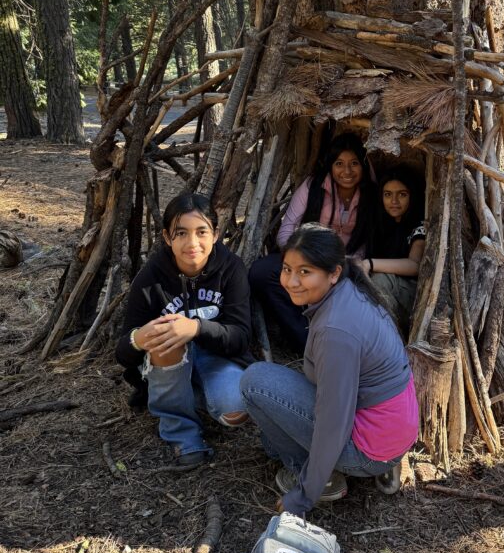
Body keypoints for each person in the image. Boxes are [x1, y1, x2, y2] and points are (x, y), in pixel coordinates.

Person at [240, 223, 419, 516]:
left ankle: (322, 479)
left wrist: (304, 496)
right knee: (269, 432)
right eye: (287, 269)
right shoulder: (352, 289)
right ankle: (375, 461)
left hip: (369, 449)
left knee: (255, 382)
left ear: (333, 272)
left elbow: (333, 421)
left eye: (305, 272)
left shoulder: (336, 329)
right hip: (393, 431)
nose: (292, 281)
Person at [116, 193, 253, 468]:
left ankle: (186, 398)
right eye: (181, 233)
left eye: (201, 232)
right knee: (164, 337)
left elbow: (240, 336)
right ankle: (181, 432)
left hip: (218, 356)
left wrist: (196, 328)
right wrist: (139, 338)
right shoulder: (152, 276)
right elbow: (122, 353)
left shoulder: (231, 268)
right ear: (167, 238)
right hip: (169, 359)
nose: (192, 243)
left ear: (215, 235)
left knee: (236, 411)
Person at [248, 132, 376, 351]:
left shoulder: (370, 195)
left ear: (363, 165)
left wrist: (343, 264)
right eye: (339, 163)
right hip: (306, 258)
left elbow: (367, 244)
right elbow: (285, 232)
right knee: (261, 272)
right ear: (330, 165)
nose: (347, 171)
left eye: (354, 163)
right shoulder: (313, 187)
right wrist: (309, 258)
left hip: (344, 267)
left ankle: (340, 343)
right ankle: (305, 341)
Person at [363, 164, 426, 333]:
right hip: (385, 295)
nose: (394, 201)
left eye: (402, 195)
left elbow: (414, 265)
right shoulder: (380, 225)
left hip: (410, 297)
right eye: (388, 194)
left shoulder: (419, 226)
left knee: (380, 281)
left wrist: (370, 263)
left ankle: (388, 339)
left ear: (412, 196)